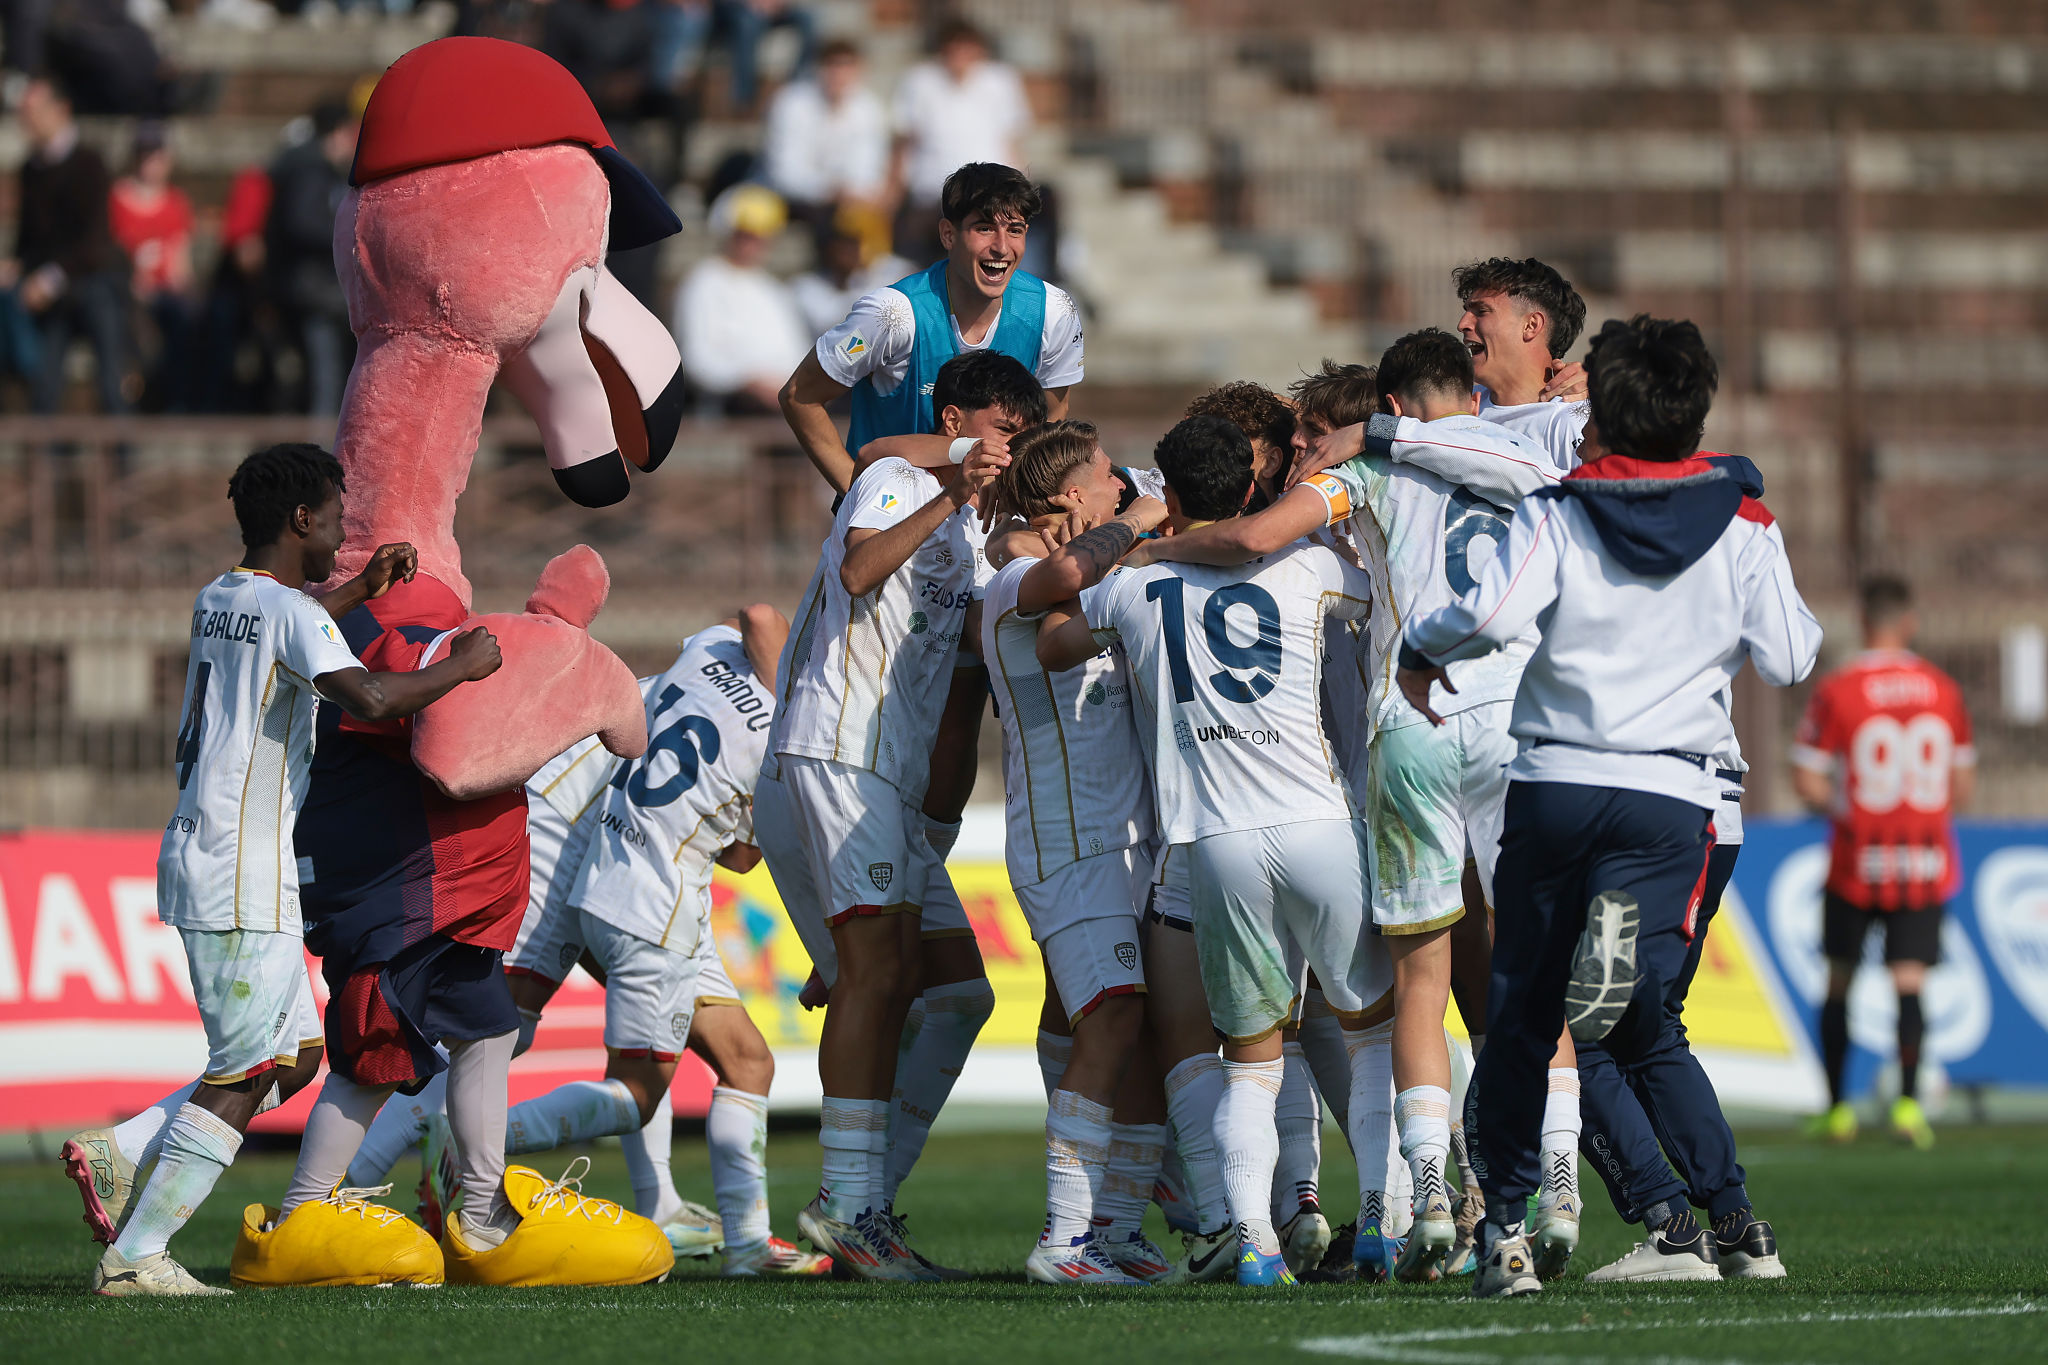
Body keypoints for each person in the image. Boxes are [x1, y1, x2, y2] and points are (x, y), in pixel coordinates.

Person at [1395, 314, 1821, 1299]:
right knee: (1641, 1023)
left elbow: (1488, 616)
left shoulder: (1559, 509)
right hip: (1674, 796)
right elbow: (1790, 656)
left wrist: (1420, 651)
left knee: (1524, 1014)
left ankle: (1508, 1238)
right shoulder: (1742, 523)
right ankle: (1732, 1224)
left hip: (1561, 783)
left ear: (1600, 413)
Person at [1136, 338, 1574, 1283]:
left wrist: (1148, 542)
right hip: (1446, 759)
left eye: (1310, 438)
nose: (1303, 453)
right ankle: (1464, 1201)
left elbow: (1227, 547)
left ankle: (1305, 1223)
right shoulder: (1514, 461)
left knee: (1285, 1039)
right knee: (1475, 984)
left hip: (1286, 804)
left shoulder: (1172, 573)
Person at [68, 443, 501, 1296]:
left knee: (296, 1058)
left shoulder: (222, 595)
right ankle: (137, 1255)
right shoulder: (292, 613)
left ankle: (121, 1150)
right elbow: (369, 696)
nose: (341, 533)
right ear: (302, 519)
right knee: (245, 1070)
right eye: (334, 519)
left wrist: (359, 589)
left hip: (210, 853)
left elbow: (292, 626)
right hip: (240, 869)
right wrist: (464, 667)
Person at [1037, 415, 1395, 1288]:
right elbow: (1380, 591)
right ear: (1249, 488)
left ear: (1170, 489)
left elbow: (1052, 642)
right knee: (1373, 1034)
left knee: (1250, 1059)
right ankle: (1387, 1220)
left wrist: (1116, 547)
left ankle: (1255, 1241)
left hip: (1215, 842)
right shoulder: (1305, 563)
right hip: (1316, 822)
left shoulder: (1131, 586)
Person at [755, 354, 1010, 1280]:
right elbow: (862, 569)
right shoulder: (901, 479)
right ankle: (849, 1203)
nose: (1011, 449)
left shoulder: (978, 538)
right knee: (877, 972)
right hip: (836, 748)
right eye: (1003, 429)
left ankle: (864, 1204)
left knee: (958, 992)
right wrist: (953, 491)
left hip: (888, 777)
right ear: (957, 423)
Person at [978, 421, 1182, 1285]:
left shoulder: (1093, 569)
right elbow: (1059, 575)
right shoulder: (1009, 578)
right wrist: (1140, 520)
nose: (1121, 484)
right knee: (1111, 1020)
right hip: (1069, 838)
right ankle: (1065, 1238)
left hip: (1125, 835)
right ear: (1071, 495)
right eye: (1106, 476)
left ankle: (1118, 1227)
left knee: (1136, 1028)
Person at [1792, 574, 1973, 1151]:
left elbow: (1807, 778)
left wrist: (1853, 810)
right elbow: (1961, 783)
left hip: (1857, 860)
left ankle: (1837, 1110)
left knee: (1839, 977)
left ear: (1863, 620)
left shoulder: (1839, 688)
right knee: (1910, 980)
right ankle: (1909, 1108)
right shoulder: (1943, 690)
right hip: (1923, 860)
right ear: (1910, 621)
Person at [780, 161, 1082, 497]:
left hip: (988, 520)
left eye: (1015, 230)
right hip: (892, 517)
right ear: (948, 234)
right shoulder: (891, 315)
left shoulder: (1054, 312)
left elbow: (1051, 417)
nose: (1001, 246)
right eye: (984, 228)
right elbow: (799, 396)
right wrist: (856, 494)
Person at [11, 74, 130, 414]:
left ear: (61, 110)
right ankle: (44, 448)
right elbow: (29, 239)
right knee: (44, 386)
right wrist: (17, 266)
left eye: (34, 111)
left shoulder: (90, 163)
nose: (27, 120)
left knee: (111, 382)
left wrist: (50, 278)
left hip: (96, 283)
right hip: (54, 295)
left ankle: (123, 444)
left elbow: (94, 242)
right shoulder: (30, 169)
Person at [888, 19, 1032, 263]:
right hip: (934, 194)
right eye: (954, 49)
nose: (960, 57)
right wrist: (894, 190)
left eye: (966, 49)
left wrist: (1019, 187)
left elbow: (1011, 141)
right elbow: (904, 141)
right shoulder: (920, 81)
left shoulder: (1000, 81)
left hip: (993, 194)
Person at [673, 185, 812, 415]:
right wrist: (747, 382)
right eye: (745, 235)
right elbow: (696, 357)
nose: (752, 244)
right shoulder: (702, 282)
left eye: (760, 237)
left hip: (781, 401)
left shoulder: (775, 291)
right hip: (729, 405)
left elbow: (797, 353)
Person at [1454, 257, 1590, 470]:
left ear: (1531, 325)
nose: (1462, 324)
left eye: (1481, 311)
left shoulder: (1569, 422)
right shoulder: (1457, 407)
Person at [109, 121, 197, 412]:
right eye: (144, 153)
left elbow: (181, 263)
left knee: (183, 318)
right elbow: (111, 254)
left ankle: (177, 404)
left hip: (164, 293)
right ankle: (128, 405)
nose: (150, 161)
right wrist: (134, 282)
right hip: (125, 291)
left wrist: (174, 283)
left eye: (156, 154)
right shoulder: (116, 199)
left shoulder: (176, 203)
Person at [760, 38, 888, 225]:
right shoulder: (790, 103)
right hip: (786, 199)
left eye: (846, 67)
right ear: (818, 68)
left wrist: (850, 192)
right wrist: (829, 190)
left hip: (844, 202)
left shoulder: (869, 109)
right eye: (833, 66)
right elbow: (785, 173)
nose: (839, 75)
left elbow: (868, 169)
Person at [790, 203, 914, 341]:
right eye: (842, 242)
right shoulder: (805, 287)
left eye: (854, 244)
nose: (848, 252)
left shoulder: (894, 274)